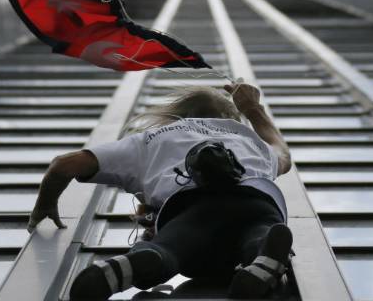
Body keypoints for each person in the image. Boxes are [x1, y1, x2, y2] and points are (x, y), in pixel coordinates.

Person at [27, 81, 293, 299]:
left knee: (170, 249)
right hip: (255, 203)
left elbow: (64, 165)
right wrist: (252, 108)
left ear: (177, 114)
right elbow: (283, 155)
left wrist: (45, 204)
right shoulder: (248, 140)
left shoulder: (151, 140)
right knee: (260, 231)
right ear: (229, 117)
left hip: (192, 210)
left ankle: (137, 263)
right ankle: (262, 257)